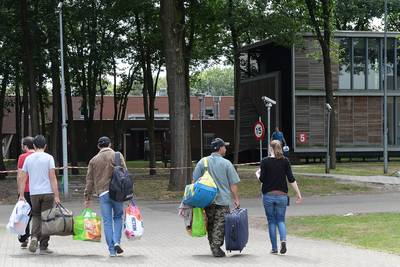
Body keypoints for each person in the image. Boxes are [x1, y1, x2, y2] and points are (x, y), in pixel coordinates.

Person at [192, 137, 240, 257]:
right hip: (222, 200)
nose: (225, 148)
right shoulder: (226, 163)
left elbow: (194, 181)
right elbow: (233, 184)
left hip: (207, 201)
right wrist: (236, 199)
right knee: (220, 225)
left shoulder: (203, 162)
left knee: (211, 224)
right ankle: (216, 247)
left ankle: (213, 245)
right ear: (220, 148)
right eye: (224, 146)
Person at [84, 136, 128, 257]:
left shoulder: (93, 160)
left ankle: (112, 251)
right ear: (110, 144)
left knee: (107, 221)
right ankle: (117, 242)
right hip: (117, 192)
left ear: (98, 146)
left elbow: (89, 181)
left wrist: (87, 198)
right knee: (118, 217)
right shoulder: (117, 155)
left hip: (103, 193)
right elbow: (125, 174)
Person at [18, 135, 60, 254]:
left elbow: (23, 178)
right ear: (45, 146)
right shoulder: (49, 158)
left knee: (36, 216)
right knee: (46, 218)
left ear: (34, 146)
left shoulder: (28, 159)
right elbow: (53, 177)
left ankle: (34, 238)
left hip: (33, 193)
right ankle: (43, 246)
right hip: (47, 192)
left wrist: (21, 195)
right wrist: (56, 196)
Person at [259, 140, 302, 255]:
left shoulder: (265, 161)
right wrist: (298, 193)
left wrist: (258, 174)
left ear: (271, 149)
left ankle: (274, 248)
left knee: (271, 221)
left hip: (268, 195)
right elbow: (291, 179)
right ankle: (283, 240)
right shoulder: (285, 161)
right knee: (281, 220)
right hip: (282, 195)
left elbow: (262, 179)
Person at [16, 136, 35, 248]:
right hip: (38, 190)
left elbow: (19, 176)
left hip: (25, 191)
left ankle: (24, 239)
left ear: (25, 146)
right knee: (37, 215)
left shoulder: (22, 157)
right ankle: (36, 237)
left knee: (23, 215)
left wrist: (19, 193)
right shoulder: (39, 156)